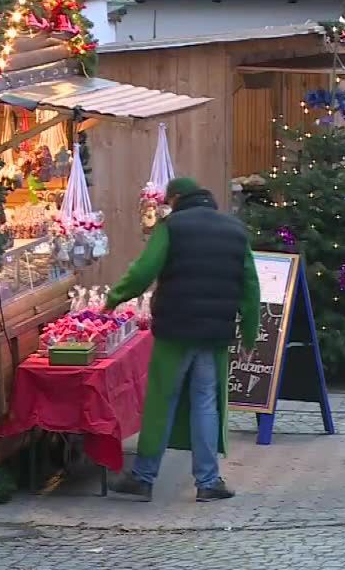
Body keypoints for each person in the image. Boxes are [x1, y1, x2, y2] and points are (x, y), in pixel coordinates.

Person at [106, 177, 260, 503]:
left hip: (175, 329)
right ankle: (208, 481)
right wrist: (249, 332)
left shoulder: (171, 227)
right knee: (206, 403)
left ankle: (143, 477)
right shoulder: (234, 230)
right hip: (214, 334)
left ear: (176, 198)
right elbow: (250, 285)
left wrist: (115, 297)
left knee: (162, 399)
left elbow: (144, 271)